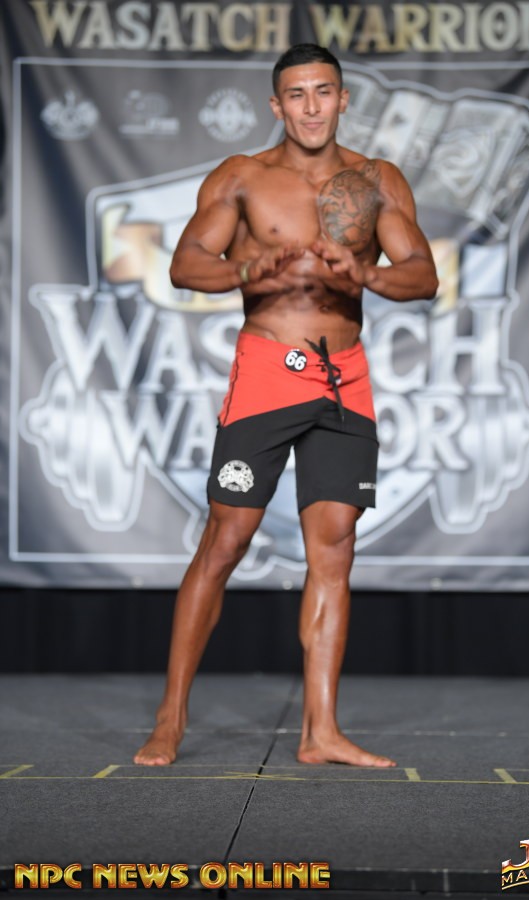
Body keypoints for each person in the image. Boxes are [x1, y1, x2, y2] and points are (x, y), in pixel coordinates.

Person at [134, 43, 438, 768]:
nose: (310, 106)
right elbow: (184, 265)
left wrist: (363, 272)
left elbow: (423, 274)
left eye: (323, 92)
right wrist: (250, 266)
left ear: (342, 99)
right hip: (270, 369)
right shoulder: (243, 176)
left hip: (344, 378)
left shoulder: (376, 180)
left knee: (334, 545)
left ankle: (320, 731)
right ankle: (170, 717)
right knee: (227, 538)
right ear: (277, 105)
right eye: (296, 94)